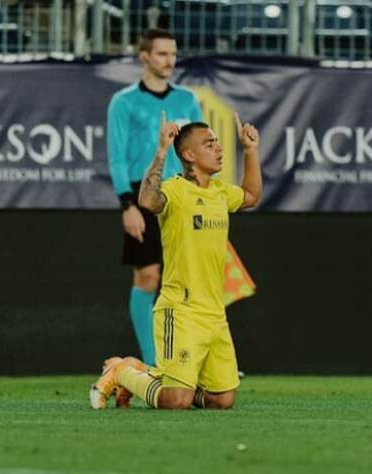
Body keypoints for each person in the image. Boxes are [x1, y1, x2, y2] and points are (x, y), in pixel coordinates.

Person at [90, 111, 262, 410]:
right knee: (176, 401)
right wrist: (160, 152)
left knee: (222, 400)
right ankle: (121, 371)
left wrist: (250, 151)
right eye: (210, 144)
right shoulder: (175, 190)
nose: (219, 149)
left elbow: (251, 195)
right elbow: (147, 201)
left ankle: (141, 372)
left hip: (214, 313)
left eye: (218, 143)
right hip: (180, 310)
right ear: (188, 154)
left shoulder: (221, 192)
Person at [107, 29, 203, 367]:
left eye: (173, 54)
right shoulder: (124, 102)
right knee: (147, 276)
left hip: (182, 194)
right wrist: (127, 204)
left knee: (190, 280)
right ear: (144, 56)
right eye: (162, 54)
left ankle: (193, 360)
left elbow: (198, 152)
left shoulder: (187, 101)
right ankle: (153, 364)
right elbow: (116, 157)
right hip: (142, 195)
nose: (170, 61)